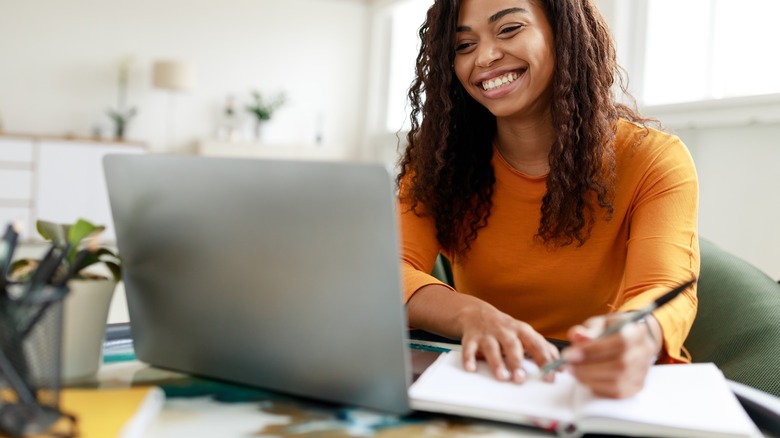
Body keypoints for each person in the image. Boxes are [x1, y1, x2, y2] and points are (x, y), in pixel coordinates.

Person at [396, 0, 699, 399]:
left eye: (508, 29)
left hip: (592, 388)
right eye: (464, 46)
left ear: (563, 33)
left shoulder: (653, 159)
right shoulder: (439, 162)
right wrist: (470, 314)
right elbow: (388, 270)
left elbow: (664, 286)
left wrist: (639, 335)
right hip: (483, 380)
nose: (484, 57)